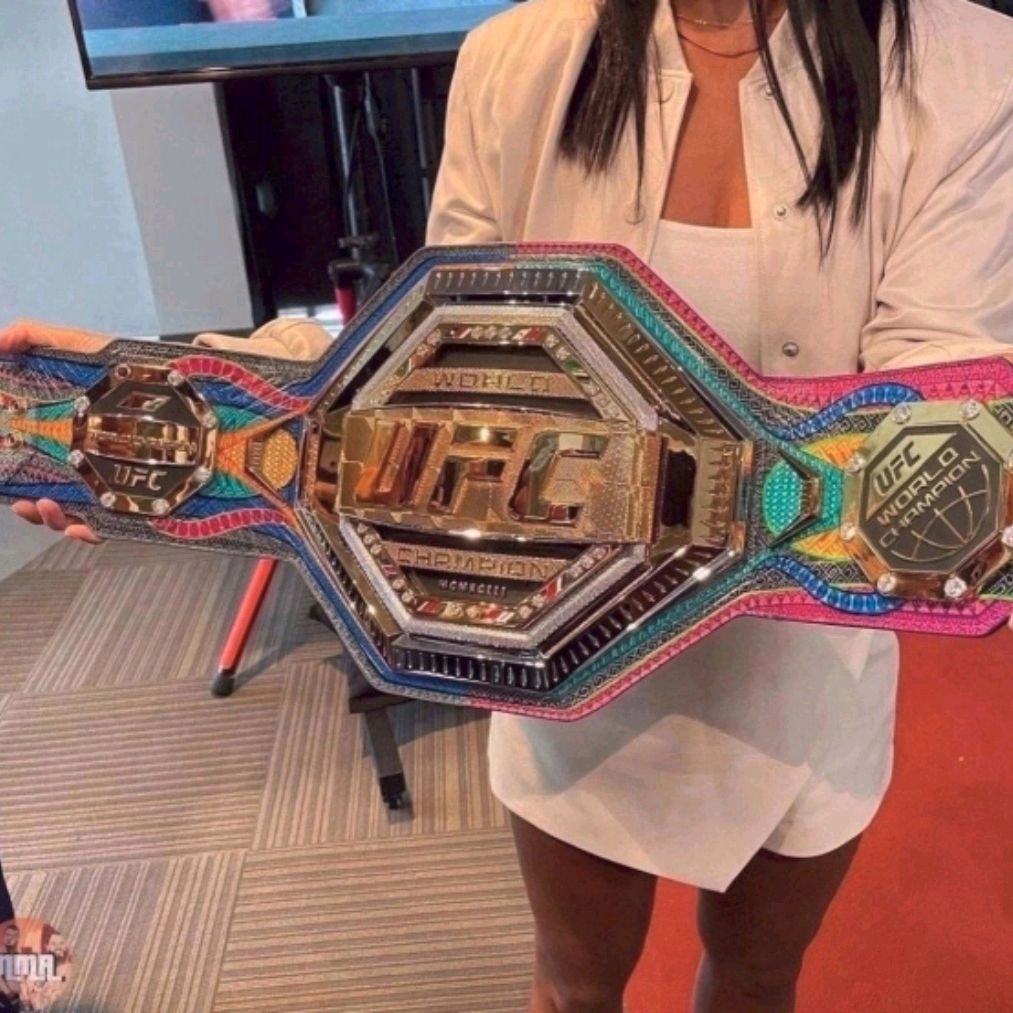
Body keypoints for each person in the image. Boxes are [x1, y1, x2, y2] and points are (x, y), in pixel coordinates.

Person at [1, 1, 1011, 1010]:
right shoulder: (520, 57)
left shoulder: (963, 62)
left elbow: (930, 425)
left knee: (755, 976)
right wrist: (139, 391)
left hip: (796, 670)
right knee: (574, 986)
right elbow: (426, 370)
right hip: (560, 647)